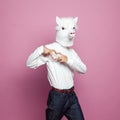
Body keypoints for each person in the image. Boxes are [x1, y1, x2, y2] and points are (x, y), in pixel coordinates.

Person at [26, 16, 87, 120]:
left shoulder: (71, 52)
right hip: (57, 97)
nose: (71, 32)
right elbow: (29, 63)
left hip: (72, 96)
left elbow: (83, 69)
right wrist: (41, 49)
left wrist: (67, 60)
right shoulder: (50, 49)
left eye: (73, 28)